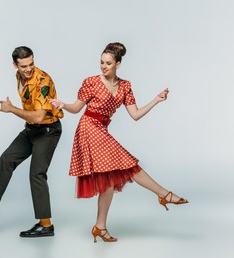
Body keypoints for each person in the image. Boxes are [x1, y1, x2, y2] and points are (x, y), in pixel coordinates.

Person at [49, 42, 188, 243]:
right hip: (88, 128)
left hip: (101, 129)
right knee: (127, 162)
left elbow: (136, 114)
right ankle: (164, 194)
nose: (103, 66)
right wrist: (62, 104)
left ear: (118, 64)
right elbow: (76, 108)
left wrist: (156, 100)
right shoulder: (91, 82)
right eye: (101, 62)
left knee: (110, 181)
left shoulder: (125, 86)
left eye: (108, 63)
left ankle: (100, 227)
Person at [0, 46, 63, 238]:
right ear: (15, 65)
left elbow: (39, 117)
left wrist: (11, 109)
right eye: (24, 66)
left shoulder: (42, 81)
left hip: (47, 130)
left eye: (31, 64)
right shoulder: (20, 76)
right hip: (31, 129)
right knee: (7, 158)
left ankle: (46, 225)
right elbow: (32, 117)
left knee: (37, 174)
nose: (28, 69)